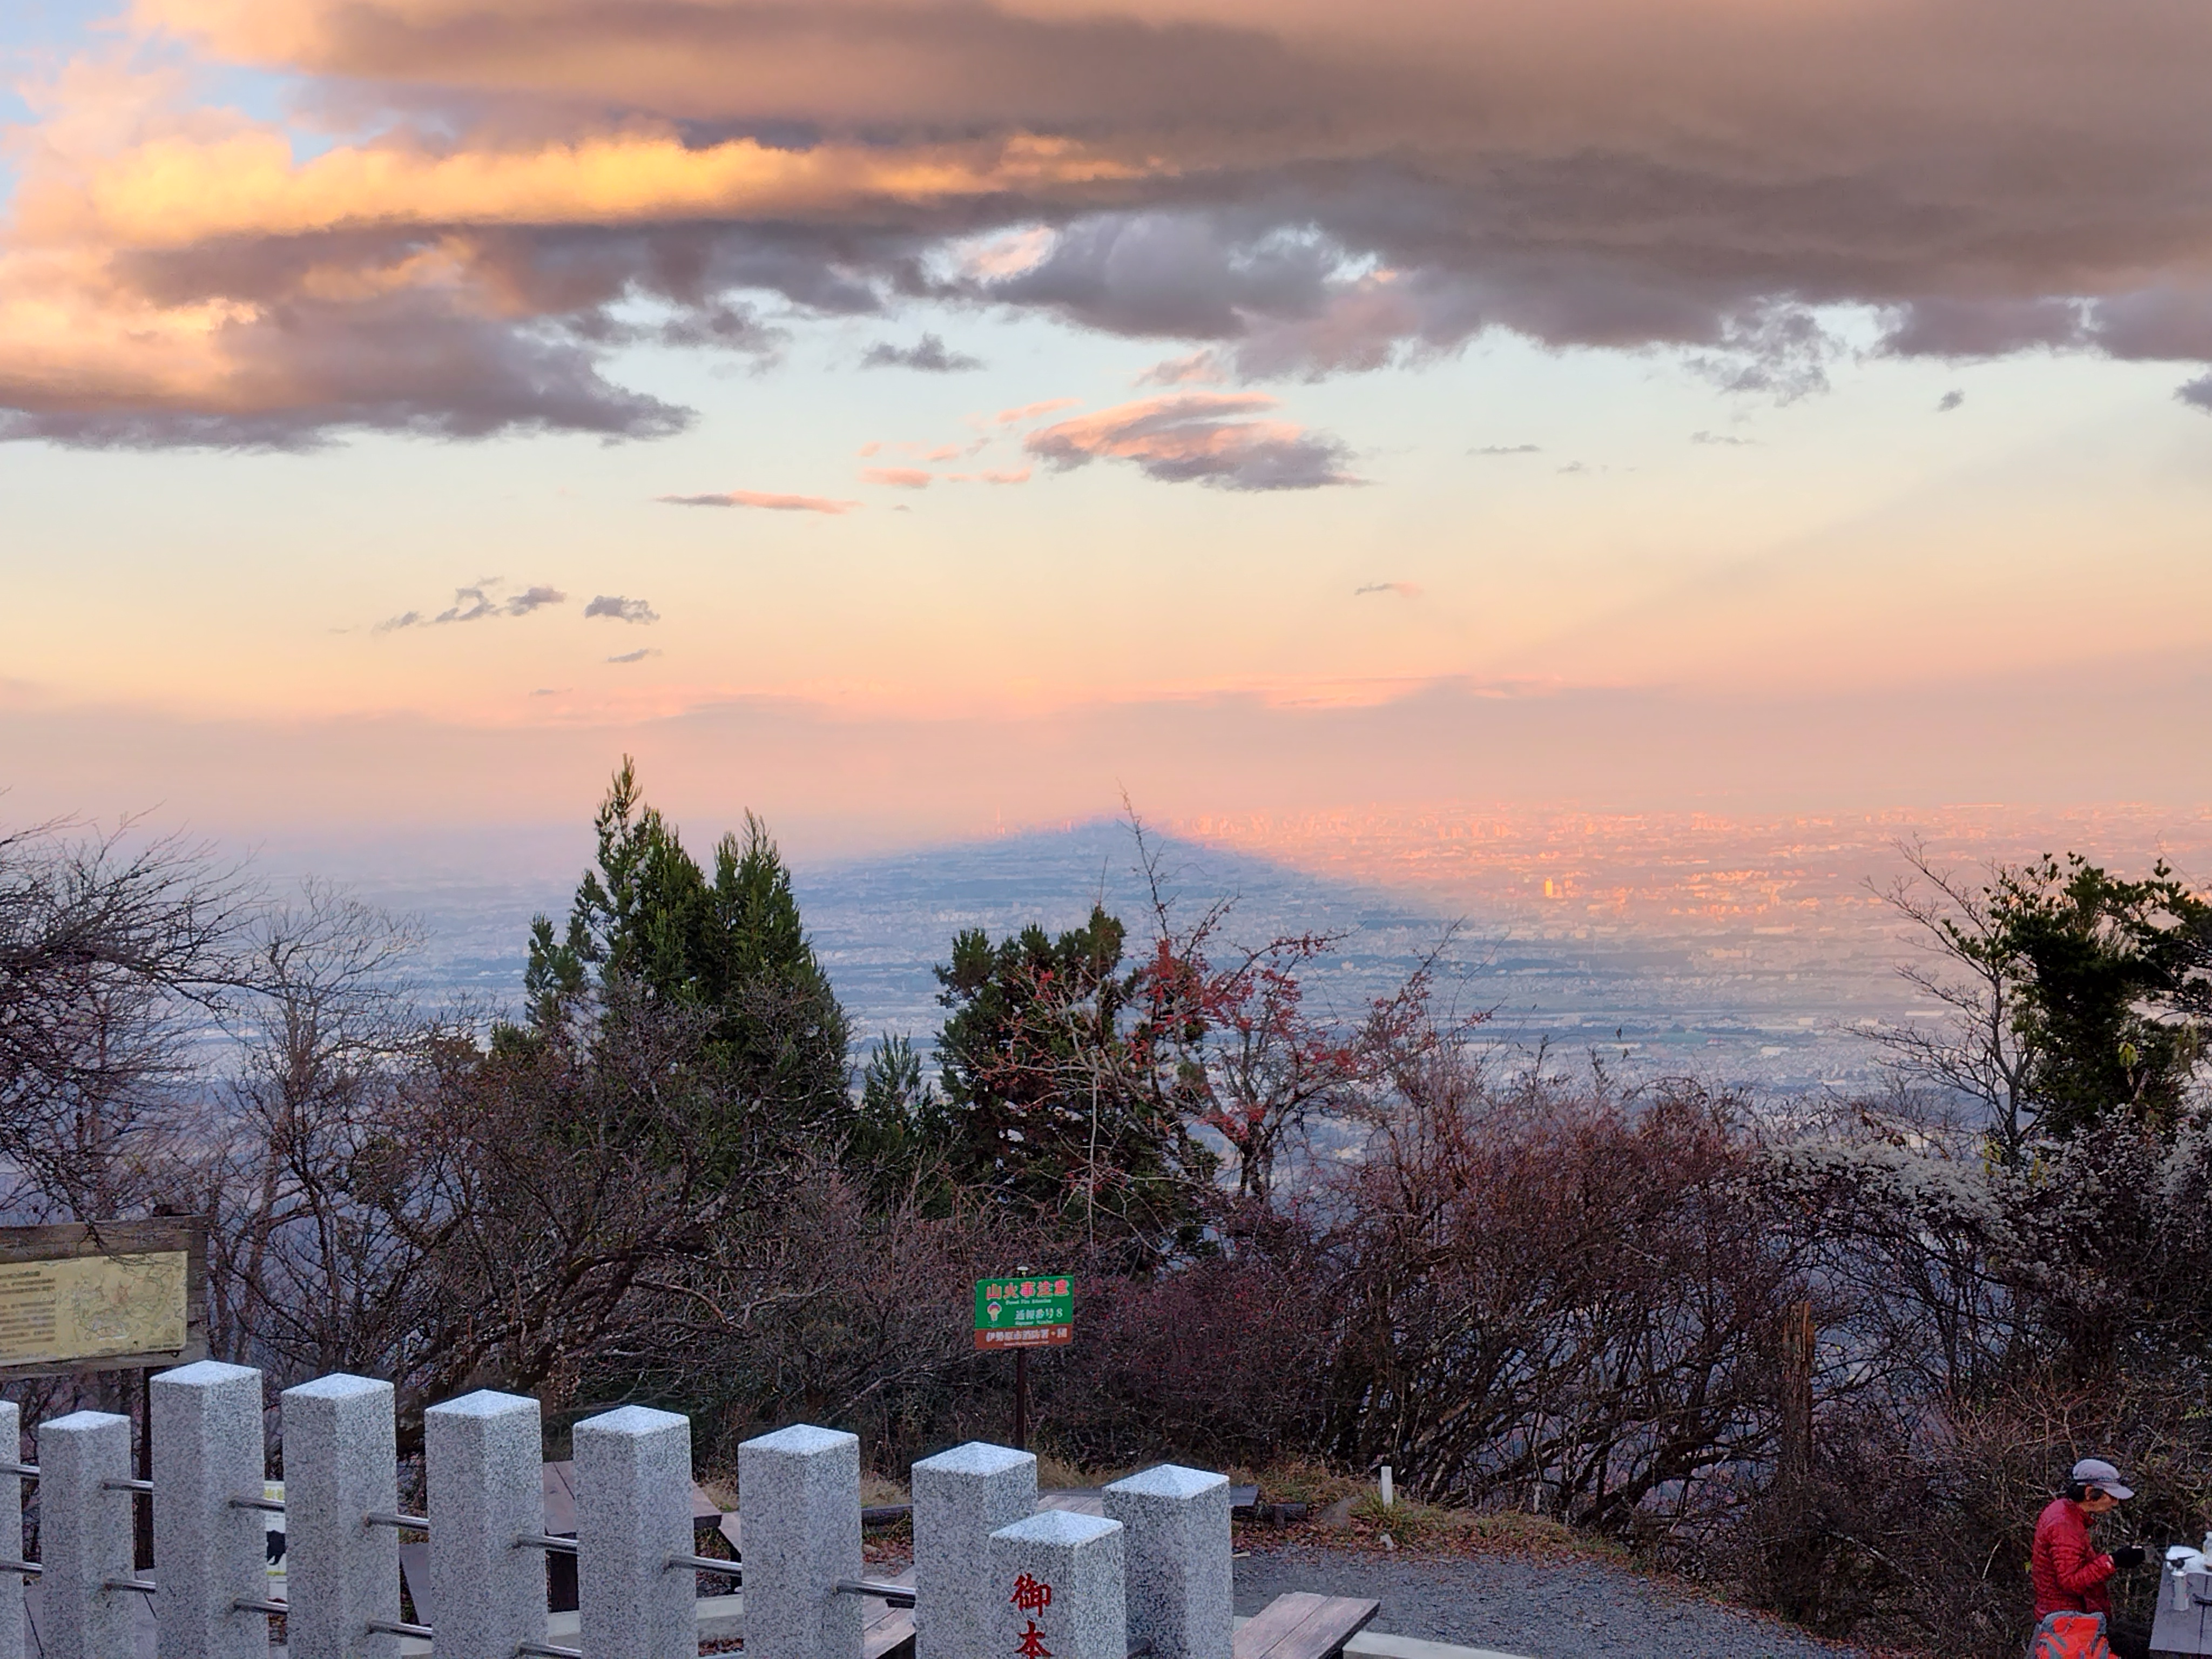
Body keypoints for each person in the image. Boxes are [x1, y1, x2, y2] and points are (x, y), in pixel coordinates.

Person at [2032, 1458, 2152, 1659]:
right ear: (2090, 1493)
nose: (2115, 1503)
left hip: (2075, 1615)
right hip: (2068, 1624)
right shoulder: (2064, 1526)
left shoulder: (2065, 1512)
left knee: (2143, 1637)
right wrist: (2114, 1561)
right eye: (2111, 1497)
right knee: (2145, 1648)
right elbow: (2070, 1583)